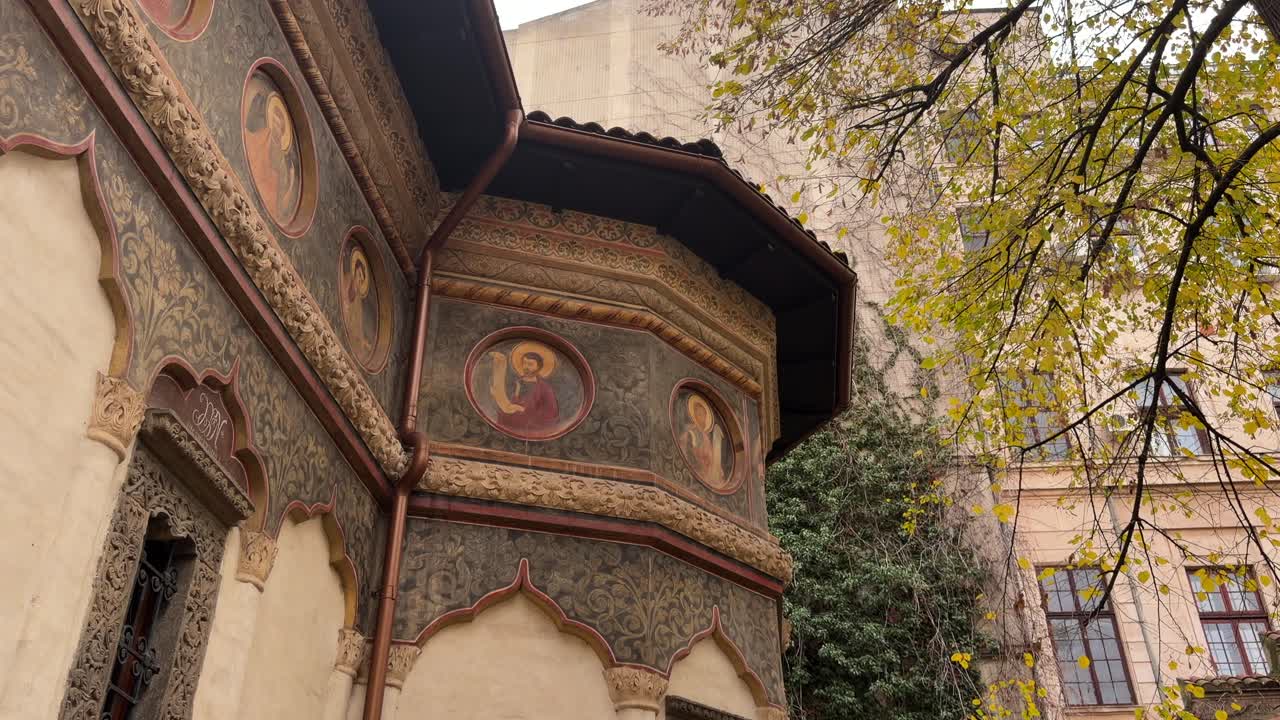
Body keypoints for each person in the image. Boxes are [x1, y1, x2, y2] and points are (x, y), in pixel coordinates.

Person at [485, 343, 559, 434]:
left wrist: (523, 410)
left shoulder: (545, 388)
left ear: (538, 367)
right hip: (509, 425)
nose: (526, 367)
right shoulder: (516, 382)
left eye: (530, 364)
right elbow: (504, 403)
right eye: (524, 363)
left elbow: (550, 413)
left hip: (531, 427)